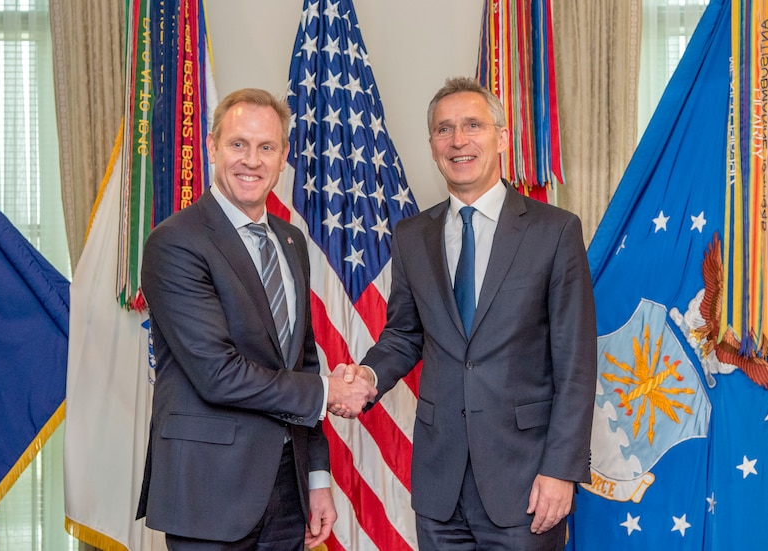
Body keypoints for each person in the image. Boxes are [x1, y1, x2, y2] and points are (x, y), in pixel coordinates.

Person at [333, 77, 597, 550]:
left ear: (501, 136)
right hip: (440, 484)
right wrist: (367, 377)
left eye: (473, 125)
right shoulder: (413, 235)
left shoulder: (554, 231)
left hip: (526, 482)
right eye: (444, 129)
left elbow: (576, 363)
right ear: (433, 144)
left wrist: (561, 469)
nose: (458, 140)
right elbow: (403, 335)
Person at [136, 88, 377, 551]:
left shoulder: (289, 241)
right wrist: (332, 391)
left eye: (266, 147)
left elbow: (301, 361)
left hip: (288, 491)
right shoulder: (176, 242)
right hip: (209, 492)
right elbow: (218, 374)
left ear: (283, 155)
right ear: (212, 146)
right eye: (238, 144)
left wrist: (317, 475)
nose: (252, 160)